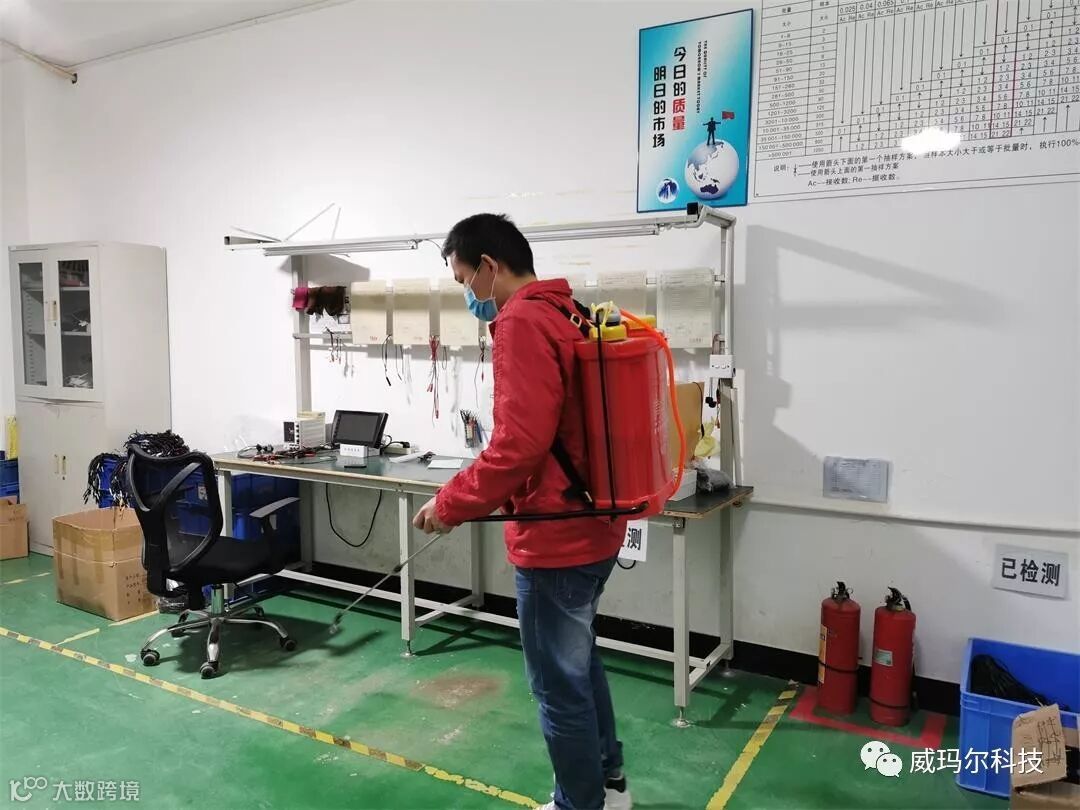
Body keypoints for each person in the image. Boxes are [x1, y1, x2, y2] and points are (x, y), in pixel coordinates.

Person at [412, 213, 632, 810]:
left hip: (555, 537)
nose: (468, 294)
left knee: (558, 686)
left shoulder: (522, 320)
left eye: (465, 280)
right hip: (596, 522)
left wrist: (451, 502)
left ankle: (578, 803)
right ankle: (609, 784)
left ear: (490, 266)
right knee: (580, 664)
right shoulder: (568, 311)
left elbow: (518, 445)